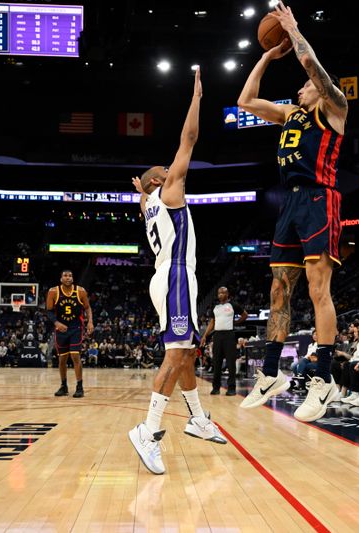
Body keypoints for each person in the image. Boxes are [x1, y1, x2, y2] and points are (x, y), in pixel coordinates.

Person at [236, 0, 348, 422]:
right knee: (279, 291)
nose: (299, 88)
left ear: (318, 86)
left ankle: (323, 378)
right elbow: (245, 99)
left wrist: (294, 29)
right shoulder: (289, 115)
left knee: (319, 289)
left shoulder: (334, 108)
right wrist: (265, 55)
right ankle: (269, 373)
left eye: (304, 85)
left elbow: (310, 63)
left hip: (321, 199)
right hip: (290, 203)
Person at [128, 67, 226, 475]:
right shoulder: (166, 193)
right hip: (176, 275)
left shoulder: (147, 204)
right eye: (166, 173)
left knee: (185, 353)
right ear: (158, 180)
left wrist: (141, 191)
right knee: (176, 354)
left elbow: (142, 199)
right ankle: (147, 433)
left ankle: (198, 420)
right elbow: (189, 139)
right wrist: (197, 99)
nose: (175, 173)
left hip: (167, 276)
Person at [46, 270, 94, 398]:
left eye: (70, 275)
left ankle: (79, 386)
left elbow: (88, 307)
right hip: (61, 329)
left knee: (75, 356)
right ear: (61, 278)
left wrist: (90, 322)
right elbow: (49, 311)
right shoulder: (53, 292)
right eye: (65, 276)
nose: (68, 278)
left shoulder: (80, 291)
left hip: (76, 328)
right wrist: (56, 323)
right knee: (62, 359)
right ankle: (64, 386)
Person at [199, 286, 248, 395]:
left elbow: (245, 315)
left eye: (223, 293)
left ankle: (231, 388)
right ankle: (216, 388)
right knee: (216, 362)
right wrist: (204, 336)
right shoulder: (215, 307)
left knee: (231, 363)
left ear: (227, 294)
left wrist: (236, 323)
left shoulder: (233, 305)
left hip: (229, 335)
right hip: (217, 336)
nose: (220, 294)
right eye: (219, 293)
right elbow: (212, 323)